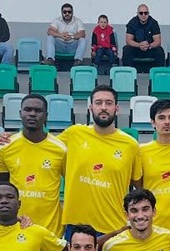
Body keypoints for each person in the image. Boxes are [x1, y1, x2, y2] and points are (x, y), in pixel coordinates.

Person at [60, 86, 140, 236]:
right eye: (98, 103)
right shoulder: (73, 134)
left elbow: (139, 184)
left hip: (113, 228)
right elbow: (44, 149)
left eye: (109, 103)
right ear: (91, 108)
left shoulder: (130, 145)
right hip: (76, 226)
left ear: (117, 108)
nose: (103, 107)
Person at [0, 96, 68, 238]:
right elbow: (1, 187)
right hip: (16, 229)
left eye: (38, 110)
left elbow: (72, 184)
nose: (32, 114)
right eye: (28, 109)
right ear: (20, 113)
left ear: (46, 115)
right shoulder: (4, 147)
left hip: (51, 230)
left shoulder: (60, 149)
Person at [131, 98, 170, 233]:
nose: (167, 122)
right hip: (153, 228)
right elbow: (139, 185)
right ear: (153, 122)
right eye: (161, 118)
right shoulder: (141, 152)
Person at [122, 4, 164, 71]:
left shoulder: (154, 23)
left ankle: (159, 73)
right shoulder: (132, 23)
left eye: (145, 13)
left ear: (148, 13)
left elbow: (158, 41)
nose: (143, 15)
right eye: (141, 13)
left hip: (149, 48)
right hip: (136, 48)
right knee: (126, 49)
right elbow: (128, 40)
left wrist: (149, 46)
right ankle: (128, 73)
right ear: (137, 14)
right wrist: (139, 45)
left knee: (160, 50)